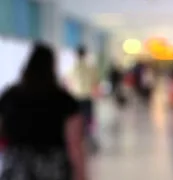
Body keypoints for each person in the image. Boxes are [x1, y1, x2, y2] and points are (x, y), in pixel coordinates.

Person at [0, 43, 86, 180]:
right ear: (52, 67)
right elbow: (74, 144)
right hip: (52, 166)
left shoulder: (9, 96)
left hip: (16, 165)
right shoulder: (64, 100)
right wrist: (81, 174)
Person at [67, 45, 99, 152]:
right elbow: (95, 84)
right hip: (87, 97)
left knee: (76, 120)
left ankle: (77, 139)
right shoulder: (90, 68)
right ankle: (88, 139)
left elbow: (68, 84)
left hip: (75, 98)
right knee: (88, 119)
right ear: (85, 54)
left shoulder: (71, 68)